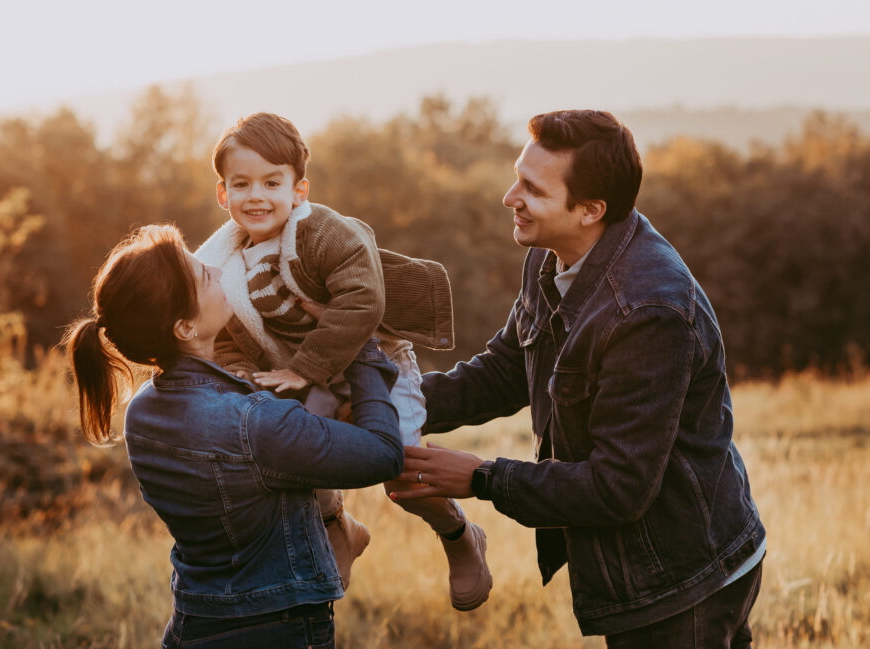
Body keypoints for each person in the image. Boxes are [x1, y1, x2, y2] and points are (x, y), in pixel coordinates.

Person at [391, 110, 766, 647]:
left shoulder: (648, 310)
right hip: (651, 570)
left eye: (531, 189)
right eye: (517, 175)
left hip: (682, 578)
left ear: (591, 210)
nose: (509, 197)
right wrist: (390, 405)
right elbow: (505, 370)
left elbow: (619, 488)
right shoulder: (551, 253)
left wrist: (480, 478)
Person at [194, 112, 492, 610]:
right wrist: (249, 379)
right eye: (241, 184)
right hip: (300, 373)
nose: (257, 196)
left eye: (272, 181)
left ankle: (460, 535)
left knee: (400, 465)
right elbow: (224, 338)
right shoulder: (220, 265)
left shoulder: (325, 233)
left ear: (299, 189)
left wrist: (303, 369)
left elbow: (363, 301)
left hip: (375, 360)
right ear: (223, 194)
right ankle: (340, 528)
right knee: (293, 450)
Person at [64, 224, 404, 648]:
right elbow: (384, 454)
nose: (216, 269)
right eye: (204, 275)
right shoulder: (253, 423)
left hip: (195, 622)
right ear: (185, 327)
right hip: (277, 629)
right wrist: (362, 344)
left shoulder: (142, 412)